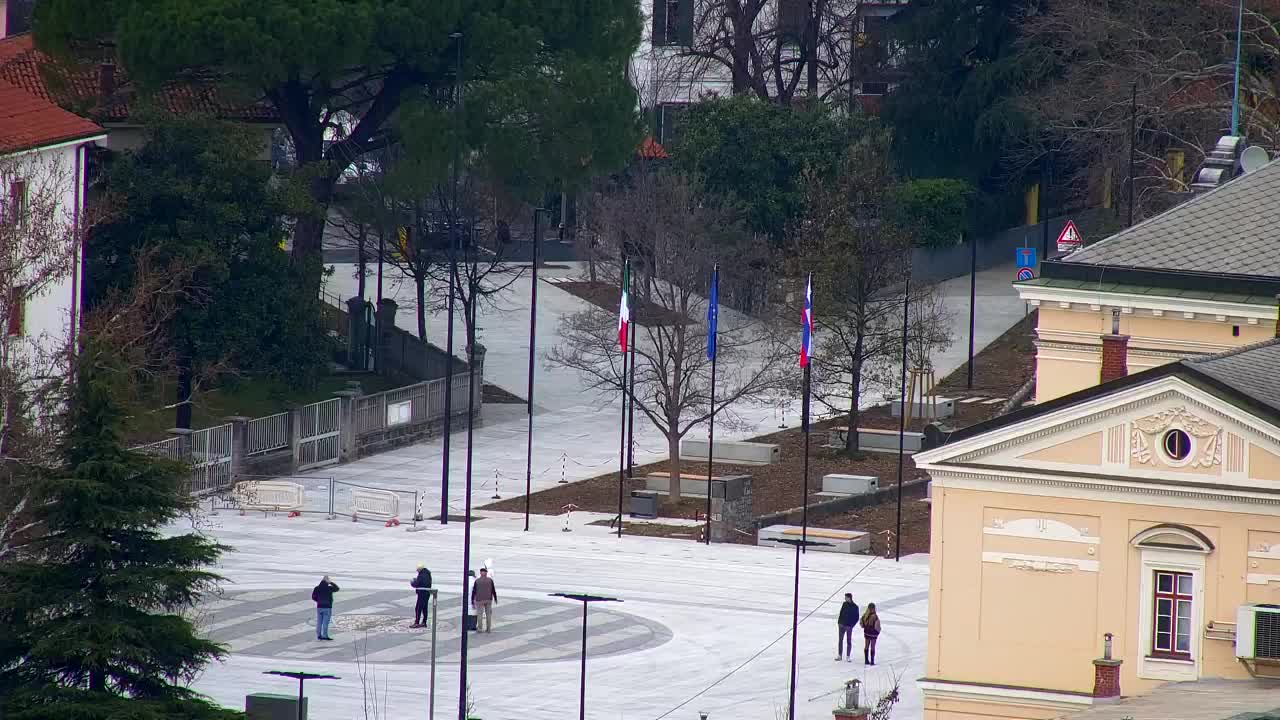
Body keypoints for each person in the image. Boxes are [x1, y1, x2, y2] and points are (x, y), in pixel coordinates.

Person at [311, 575, 340, 641]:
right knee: (325, 623)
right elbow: (337, 589)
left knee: (319, 622)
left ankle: (319, 635)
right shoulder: (329, 588)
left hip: (319, 607)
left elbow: (313, 597)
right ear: (327, 581)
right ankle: (325, 635)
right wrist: (331, 582)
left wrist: (318, 601)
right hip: (327, 607)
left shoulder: (317, 588)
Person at [471, 566, 497, 633]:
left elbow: (474, 591)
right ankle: (488, 629)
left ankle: (480, 628)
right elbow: (493, 590)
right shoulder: (490, 580)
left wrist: (472, 601)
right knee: (488, 614)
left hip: (479, 600)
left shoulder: (477, 581)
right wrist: (495, 598)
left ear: (480, 573)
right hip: (488, 600)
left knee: (480, 614)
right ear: (486, 573)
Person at [836, 593, 860, 662]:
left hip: (849, 626)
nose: (845, 598)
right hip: (842, 625)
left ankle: (848, 656)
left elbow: (856, 617)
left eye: (846, 597)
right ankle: (840, 655)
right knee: (840, 640)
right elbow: (841, 613)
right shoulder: (844, 604)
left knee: (848, 641)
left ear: (849, 598)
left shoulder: (855, 607)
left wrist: (852, 626)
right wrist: (839, 622)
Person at [411, 563, 433, 628]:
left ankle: (417, 622)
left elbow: (418, 584)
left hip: (422, 594)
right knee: (424, 608)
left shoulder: (422, 575)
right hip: (426, 593)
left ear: (420, 569)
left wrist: (413, 583)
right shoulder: (427, 574)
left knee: (418, 608)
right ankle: (424, 622)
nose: (417, 571)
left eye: (417, 570)